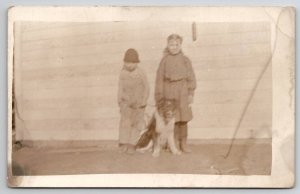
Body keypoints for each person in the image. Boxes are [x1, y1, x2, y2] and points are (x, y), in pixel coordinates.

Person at [155, 34, 197, 153]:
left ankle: (183, 143)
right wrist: (159, 96)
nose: (174, 47)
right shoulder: (164, 61)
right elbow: (159, 80)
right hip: (169, 92)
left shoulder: (185, 60)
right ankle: (173, 144)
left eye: (176, 45)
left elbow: (191, 78)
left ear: (180, 45)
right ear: (167, 46)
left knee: (183, 118)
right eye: (171, 45)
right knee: (172, 119)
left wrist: (190, 93)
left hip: (182, 91)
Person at [118, 48, 150, 154]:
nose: (129, 65)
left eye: (132, 63)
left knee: (136, 124)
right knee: (125, 123)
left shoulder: (141, 73)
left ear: (136, 62)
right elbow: (120, 87)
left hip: (138, 104)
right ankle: (123, 143)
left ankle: (132, 144)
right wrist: (120, 100)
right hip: (126, 104)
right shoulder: (123, 73)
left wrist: (144, 100)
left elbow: (146, 87)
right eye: (127, 62)